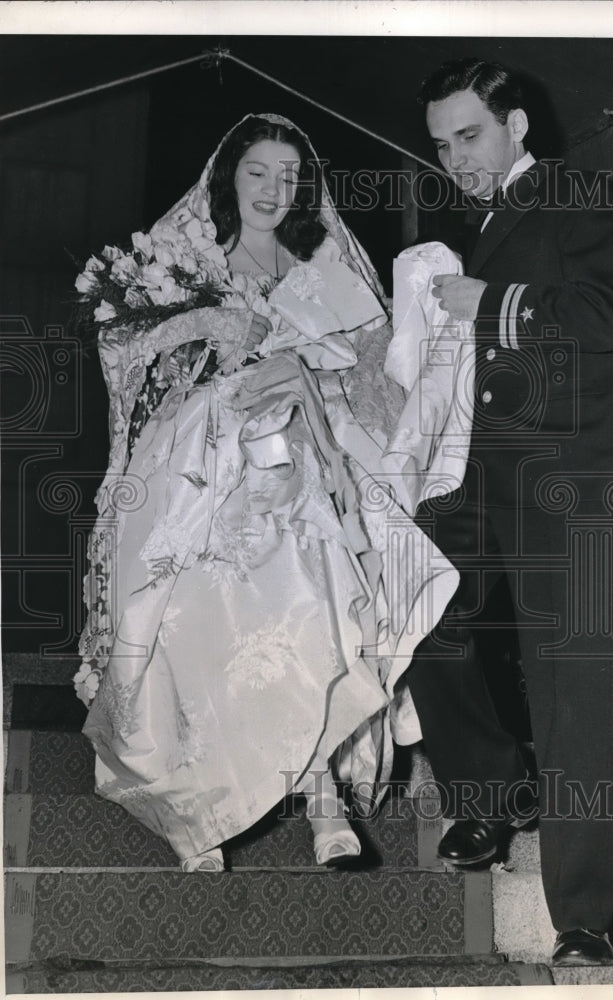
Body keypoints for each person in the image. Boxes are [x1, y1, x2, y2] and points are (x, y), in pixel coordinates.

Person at [74, 114, 458, 873]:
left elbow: (381, 386)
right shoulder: (180, 262)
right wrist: (204, 335)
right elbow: (128, 364)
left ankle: (323, 807)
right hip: (194, 466)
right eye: (258, 172)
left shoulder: (329, 273)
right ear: (229, 178)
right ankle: (196, 810)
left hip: (302, 464)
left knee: (306, 617)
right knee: (186, 625)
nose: (273, 190)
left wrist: (309, 377)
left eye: (289, 176)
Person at [404, 59, 613, 966]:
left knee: (574, 693)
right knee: (416, 607)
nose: (456, 159)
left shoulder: (579, 191)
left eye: (469, 137)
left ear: (515, 127)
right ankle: (492, 789)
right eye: (440, 145)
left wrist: (489, 304)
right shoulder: (477, 222)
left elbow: (610, 313)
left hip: (571, 483)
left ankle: (583, 922)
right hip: (479, 481)